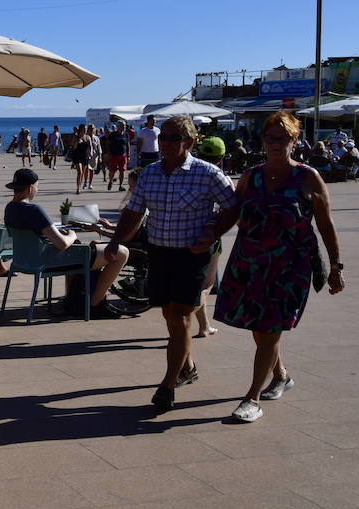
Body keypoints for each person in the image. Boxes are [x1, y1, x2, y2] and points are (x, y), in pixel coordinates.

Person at [213, 112, 344, 423]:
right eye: (271, 138)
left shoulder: (308, 178)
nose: (276, 144)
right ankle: (281, 375)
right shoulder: (251, 176)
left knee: (270, 329)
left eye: (283, 138)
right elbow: (231, 214)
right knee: (261, 331)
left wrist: (336, 266)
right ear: (262, 141)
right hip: (250, 262)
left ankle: (252, 398)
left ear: (294, 142)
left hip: (290, 268)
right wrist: (208, 235)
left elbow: (326, 225)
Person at [105, 115, 238, 411]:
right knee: (168, 314)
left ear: (189, 142)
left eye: (172, 138)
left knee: (179, 316)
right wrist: (116, 240)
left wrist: (213, 232)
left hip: (193, 255)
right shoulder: (150, 173)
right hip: (160, 253)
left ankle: (167, 385)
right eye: (162, 137)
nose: (163, 143)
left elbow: (232, 208)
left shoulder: (208, 173)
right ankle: (188, 366)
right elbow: (133, 212)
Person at [3, 168, 129, 318]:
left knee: (89, 245)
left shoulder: (9, 208)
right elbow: (62, 244)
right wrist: (71, 234)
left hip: (24, 260)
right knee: (122, 253)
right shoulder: (34, 210)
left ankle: (72, 299)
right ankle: (95, 303)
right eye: (37, 186)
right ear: (31, 188)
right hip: (46, 261)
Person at [190, 136, 228, 339]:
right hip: (211, 235)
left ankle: (204, 326)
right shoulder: (220, 177)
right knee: (206, 285)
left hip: (188, 233)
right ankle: (189, 311)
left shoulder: (193, 173)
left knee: (198, 281)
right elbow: (230, 207)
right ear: (221, 158)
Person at [104, 120, 130, 191]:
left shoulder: (126, 134)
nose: (124, 127)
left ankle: (120, 185)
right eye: (122, 126)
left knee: (122, 170)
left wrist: (129, 155)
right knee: (112, 171)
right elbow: (107, 144)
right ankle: (111, 181)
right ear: (118, 126)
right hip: (114, 155)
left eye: (124, 126)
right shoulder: (113, 134)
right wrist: (108, 153)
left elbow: (128, 145)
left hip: (123, 155)